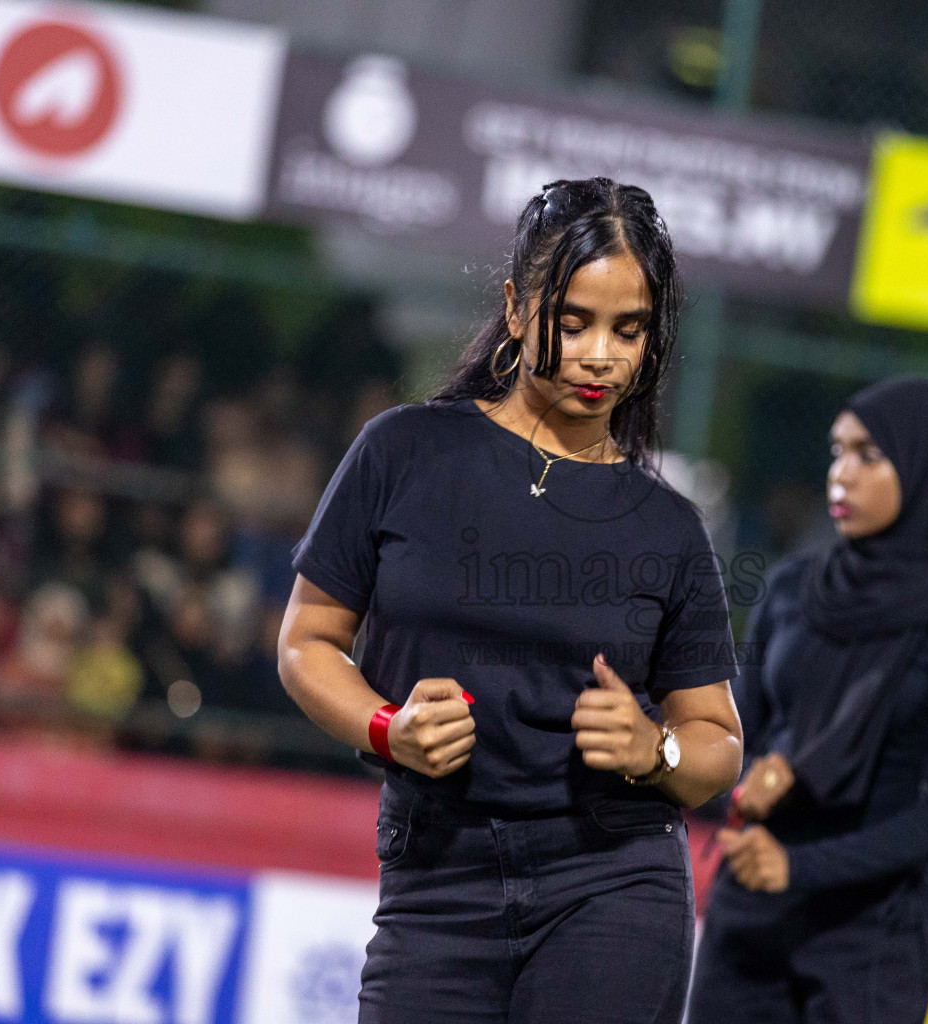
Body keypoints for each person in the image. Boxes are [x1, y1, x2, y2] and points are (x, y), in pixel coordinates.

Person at [278, 177, 743, 1024]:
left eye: (628, 330)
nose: (601, 355)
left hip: (612, 880)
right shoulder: (403, 452)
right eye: (575, 323)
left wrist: (654, 750)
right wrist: (388, 727)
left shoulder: (670, 528)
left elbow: (718, 741)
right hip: (435, 876)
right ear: (518, 309)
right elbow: (306, 640)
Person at [688, 375, 928, 1024]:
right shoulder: (793, 587)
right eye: (838, 451)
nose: (843, 474)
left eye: (870, 455)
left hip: (871, 939)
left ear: (927, 466)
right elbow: (736, 739)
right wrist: (747, 779)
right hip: (749, 918)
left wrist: (799, 867)